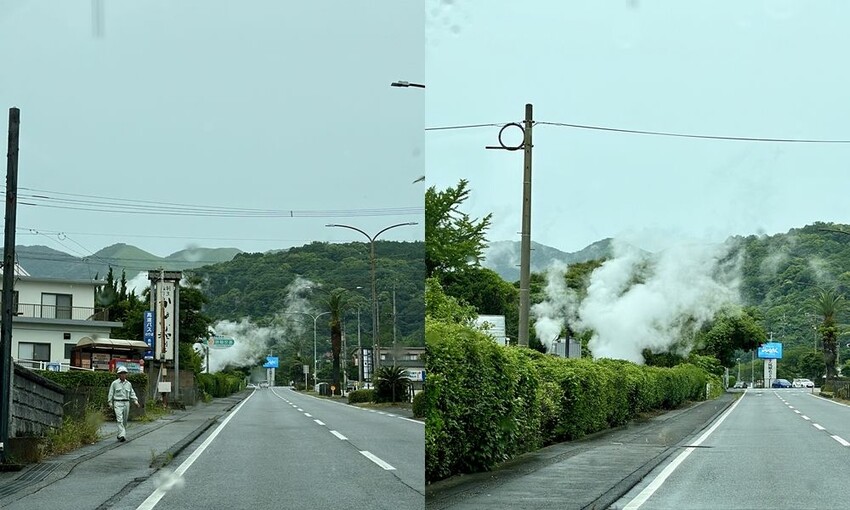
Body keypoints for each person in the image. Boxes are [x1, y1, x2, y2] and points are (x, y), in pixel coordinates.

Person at [108, 366, 140, 442]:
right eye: (121, 373)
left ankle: (120, 434)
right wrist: (110, 403)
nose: (123, 375)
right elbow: (111, 393)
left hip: (126, 403)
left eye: (124, 373)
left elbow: (132, 393)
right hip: (117, 402)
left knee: (124, 420)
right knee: (119, 419)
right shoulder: (114, 383)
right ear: (118, 375)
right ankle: (122, 435)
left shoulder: (128, 384)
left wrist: (135, 401)